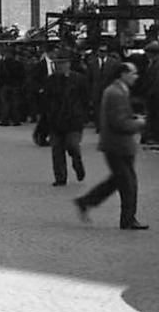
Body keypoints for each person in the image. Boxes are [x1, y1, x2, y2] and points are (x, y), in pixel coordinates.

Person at [74, 62, 148, 230]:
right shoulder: (115, 93)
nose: (136, 77)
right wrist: (139, 123)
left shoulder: (118, 91)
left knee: (117, 180)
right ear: (123, 74)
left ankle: (85, 202)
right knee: (128, 183)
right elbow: (119, 122)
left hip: (117, 144)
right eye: (133, 73)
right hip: (117, 145)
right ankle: (128, 220)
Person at [43, 47, 89, 186]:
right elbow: (46, 100)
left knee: (72, 145)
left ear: (68, 64)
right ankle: (60, 177)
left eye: (62, 63)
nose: (59, 66)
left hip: (74, 120)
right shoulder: (51, 80)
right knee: (57, 150)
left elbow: (85, 99)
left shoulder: (79, 79)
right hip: (56, 120)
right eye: (57, 63)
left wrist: (84, 116)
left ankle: (77, 162)